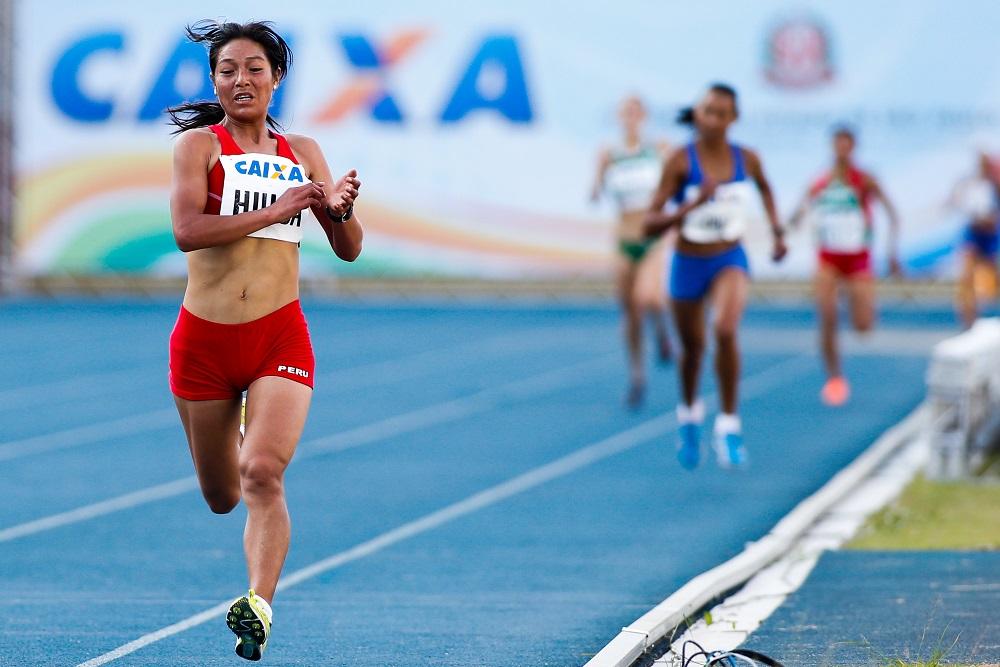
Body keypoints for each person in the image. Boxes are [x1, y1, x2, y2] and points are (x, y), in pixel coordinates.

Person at [167, 20, 363, 661]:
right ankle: (230, 416)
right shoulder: (200, 147)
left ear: (276, 78)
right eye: (228, 69)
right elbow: (189, 230)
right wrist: (280, 210)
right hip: (204, 342)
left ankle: (258, 604)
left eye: (254, 68)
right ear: (215, 80)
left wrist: (338, 210)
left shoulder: (302, 151)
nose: (241, 80)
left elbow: (349, 249)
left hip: (279, 335)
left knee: (262, 473)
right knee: (223, 497)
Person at [645, 83, 786, 470]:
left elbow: (767, 190)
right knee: (692, 351)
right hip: (689, 262)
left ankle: (728, 424)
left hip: (729, 257)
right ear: (698, 115)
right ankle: (689, 415)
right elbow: (649, 224)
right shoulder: (679, 161)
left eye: (721, 113)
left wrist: (777, 232)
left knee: (724, 329)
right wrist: (692, 203)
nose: (713, 119)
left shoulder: (747, 159)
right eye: (707, 111)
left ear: (732, 119)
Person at [787, 125, 901, 406]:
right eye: (837, 144)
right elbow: (800, 210)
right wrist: (790, 225)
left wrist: (892, 252)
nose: (841, 149)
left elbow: (892, 213)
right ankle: (835, 377)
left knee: (863, 327)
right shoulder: (821, 181)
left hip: (857, 257)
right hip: (828, 257)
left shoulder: (864, 180)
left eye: (846, 144)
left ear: (853, 147)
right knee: (826, 316)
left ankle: (858, 302)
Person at [591, 95, 673, 408]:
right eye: (626, 112)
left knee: (648, 297)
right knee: (630, 314)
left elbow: (674, 184)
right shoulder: (609, 153)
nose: (631, 117)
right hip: (625, 238)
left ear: (644, 116)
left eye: (636, 112)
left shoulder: (658, 149)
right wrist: (598, 175)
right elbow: (595, 193)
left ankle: (663, 332)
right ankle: (637, 375)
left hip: (652, 237)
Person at [948, 151, 1000, 328]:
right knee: (966, 279)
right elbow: (957, 201)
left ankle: (982, 319)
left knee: (989, 284)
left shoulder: (994, 184)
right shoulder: (971, 184)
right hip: (973, 233)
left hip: (991, 236)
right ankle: (968, 324)